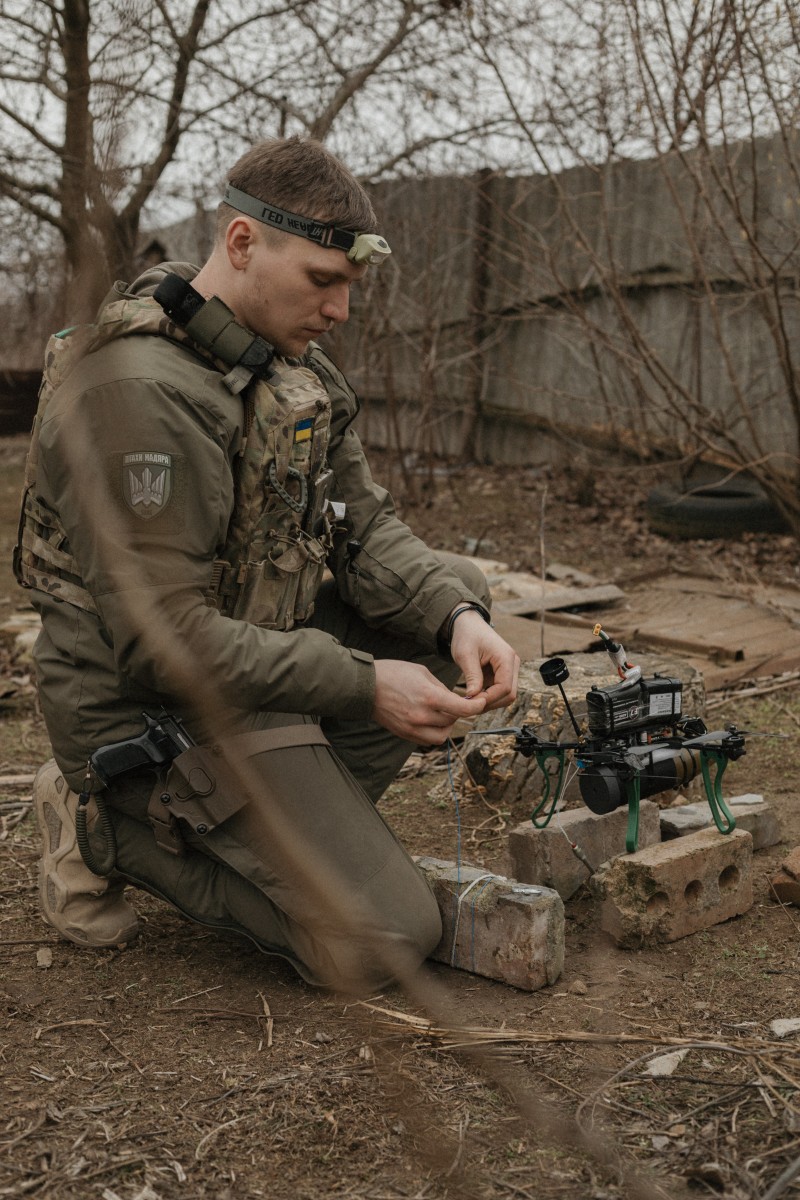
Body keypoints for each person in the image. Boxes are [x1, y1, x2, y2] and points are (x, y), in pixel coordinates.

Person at [16, 137, 519, 992]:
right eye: (323, 281)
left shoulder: (281, 364)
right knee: (384, 937)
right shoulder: (140, 394)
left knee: (453, 597)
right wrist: (365, 684)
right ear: (243, 243)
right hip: (151, 716)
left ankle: (294, 829)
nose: (341, 310)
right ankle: (110, 826)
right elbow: (161, 644)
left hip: (252, 676)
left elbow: (363, 523)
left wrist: (457, 617)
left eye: (350, 287)